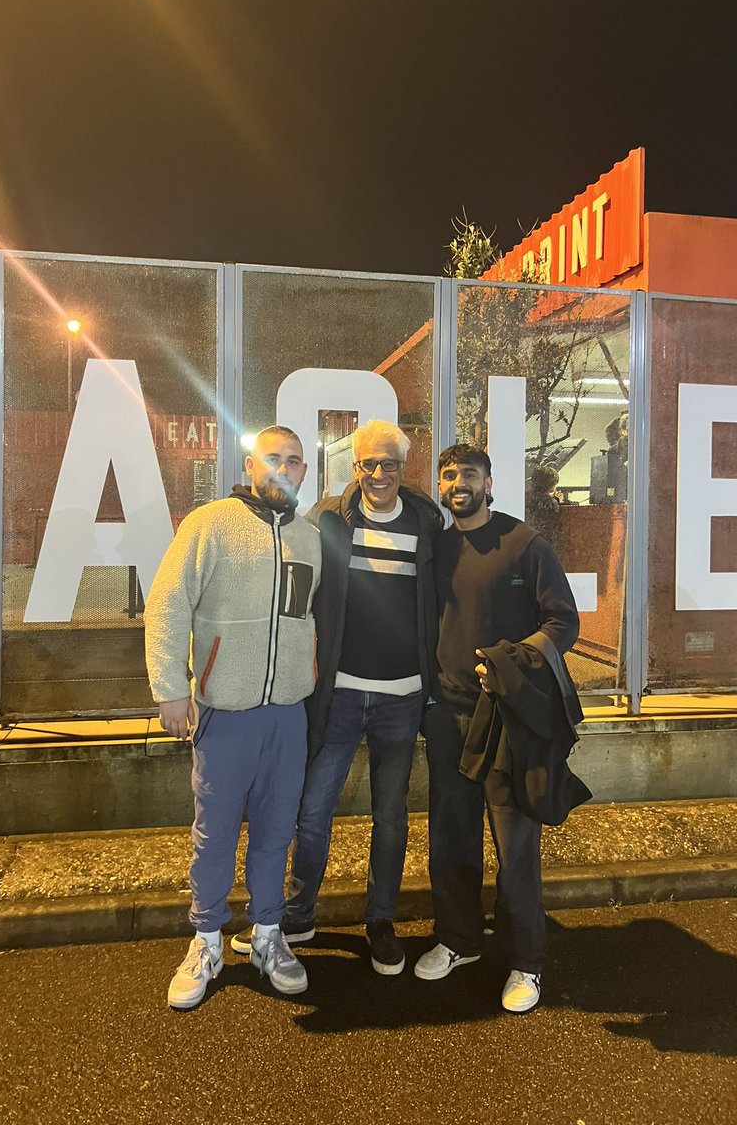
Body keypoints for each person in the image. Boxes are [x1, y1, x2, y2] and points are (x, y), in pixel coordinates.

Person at [232, 419, 442, 975]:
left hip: (403, 697)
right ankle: (298, 915)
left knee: (390, 817)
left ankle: (381, 922)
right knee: (313, 812)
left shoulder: (425, 523)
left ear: (403, 468)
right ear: (355, 468)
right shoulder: (327, 519)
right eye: (368, 464)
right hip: (341, 695)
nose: (378, 474)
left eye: (389, 465)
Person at [145, 426, 321, 1010]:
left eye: (294, 462)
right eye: (274, 459)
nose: (284, 469)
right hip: (227, 712)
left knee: (277, 832)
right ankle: (206, 939)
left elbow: (308, 617)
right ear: (251, 464)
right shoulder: (209, 524)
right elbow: (168, 601)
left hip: (288, 714)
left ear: (304, 470)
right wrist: (172, 687)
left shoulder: (308, 536)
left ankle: (268, 934)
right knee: (214, 832)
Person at [416, 443, 590, 1012]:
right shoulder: (436, 547)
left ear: (489, 483)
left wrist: (515, 661)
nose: (458, 482)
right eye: (449, 474)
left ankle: (526, 962)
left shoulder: (525, 544)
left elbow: (563, 622)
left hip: (506, 722)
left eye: (469, 473)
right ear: (441, 487)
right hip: (447, 714)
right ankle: (459, 940)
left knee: (515, 845)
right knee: (450, 835)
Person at [526, 464, 562, 547]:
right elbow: (555, 521)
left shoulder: (526, 496)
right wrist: (556, 500)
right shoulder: (550, 502)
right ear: (550, 486)